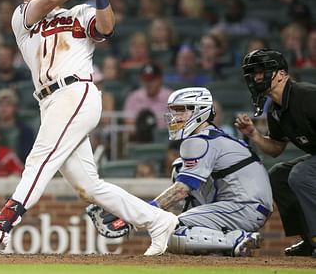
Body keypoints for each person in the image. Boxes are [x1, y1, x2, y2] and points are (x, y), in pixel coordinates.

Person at [0, 0, 178, 256]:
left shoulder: (80, 13)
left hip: (76, 91)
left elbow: (106, 28)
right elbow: (52, 0)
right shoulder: (22, 18)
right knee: (89, 187)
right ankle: (158, 220)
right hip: (49, 101)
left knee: (38, 161)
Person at [87, 87, 273, 257]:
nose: (175, 116)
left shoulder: (199, 141)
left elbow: (182, 189)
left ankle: (236, 240)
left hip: (243, 206)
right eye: (174, 111)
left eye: (181, 110)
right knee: (179, 168)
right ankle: (229, 242)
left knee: (170, 231)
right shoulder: (212, 137)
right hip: (246, 205)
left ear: (199, 111)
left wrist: (138, 215)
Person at [235, 49, 316, 257]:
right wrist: (253, 134)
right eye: (254, 73)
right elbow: (276, 149)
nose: (256, 78)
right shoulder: (274, 109)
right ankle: (309, 239)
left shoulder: (307, 96)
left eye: (262, 72)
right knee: (278, 175)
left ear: (281, 74)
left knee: (301, 173)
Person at [124, 63, 172, 130]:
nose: (148, 83)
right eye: (146, 80)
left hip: (164, 137)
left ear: (160, 79)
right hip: (139, 137)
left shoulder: (170, 97)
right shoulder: (133, 97)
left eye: (152, 80)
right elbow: (129, 124)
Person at [0, 88, 34, 162]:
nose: (4, 108)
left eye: (8, 105)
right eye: (1, 105)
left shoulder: (25, 131)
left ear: (15, 108)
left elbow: (27, 156)